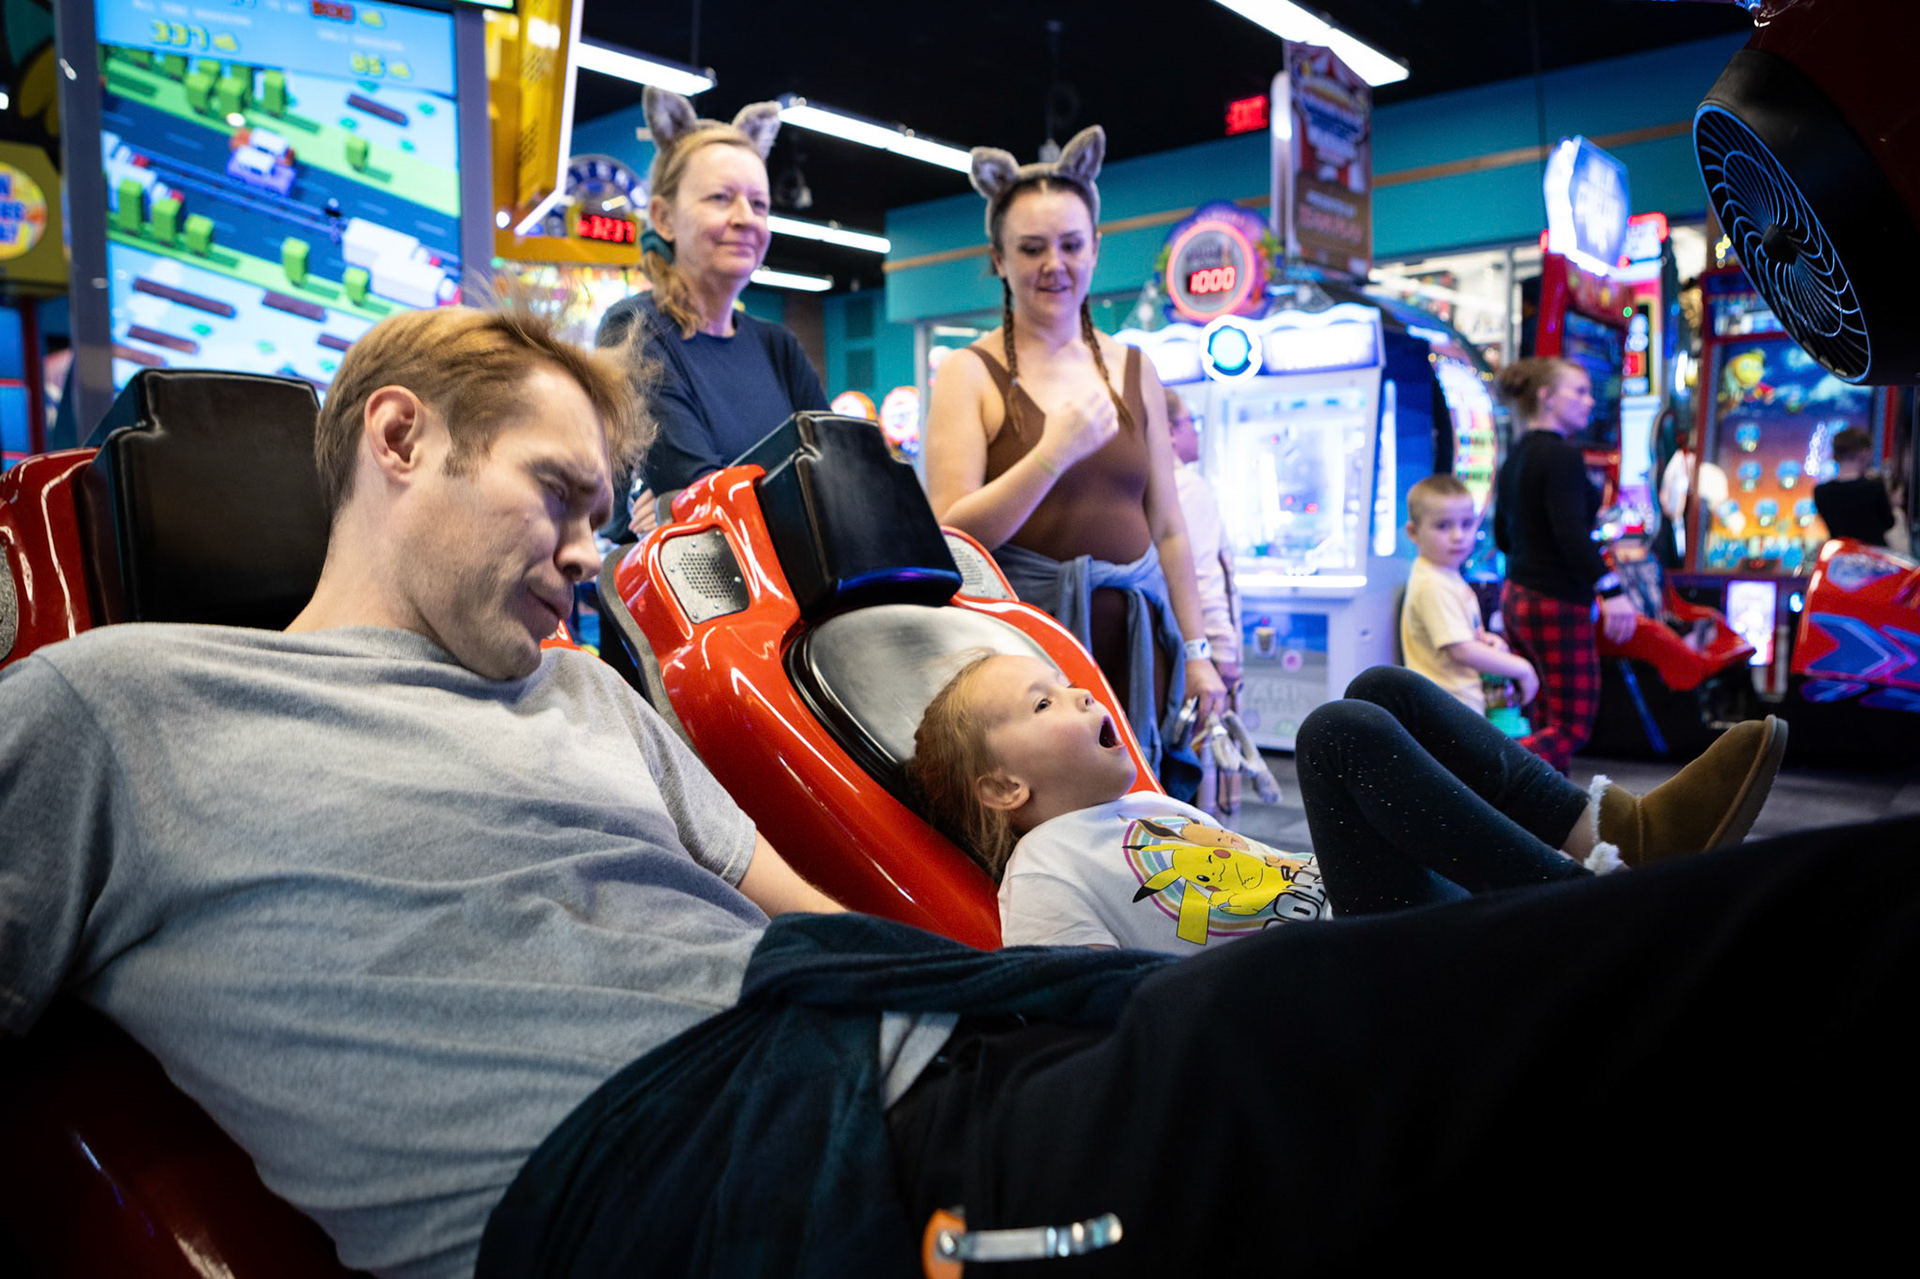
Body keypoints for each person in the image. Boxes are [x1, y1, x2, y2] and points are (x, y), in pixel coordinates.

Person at [6, 304, 1918, 1278]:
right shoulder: (122, 708)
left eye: (601, 511)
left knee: (1384, 1015)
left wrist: (1049, 967)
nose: (588, 554)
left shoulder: (581, 691)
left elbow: (789, 912)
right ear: (400, 438)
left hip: (906, 1059)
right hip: (729, 1184)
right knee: (1491, 1034)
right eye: (559, 498)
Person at [911, 652, 1787, 951]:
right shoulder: (1046, 869)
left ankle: (1617, 834)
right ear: (1004, 787)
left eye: (1067, 684)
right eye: (1044, 703)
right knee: (1335, 733)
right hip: (1336, 985)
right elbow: (1083, 1012)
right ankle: (1594, 914)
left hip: (1358, 920)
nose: (1081, 694)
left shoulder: (1152, 807)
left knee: (1380, 691)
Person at [923, 126, 1226, 792]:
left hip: (1138, 650)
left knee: (1150, 817)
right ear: (999, 258)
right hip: (1025, 661)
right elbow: (952, 533)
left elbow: (1170, 528)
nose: (1053, 264)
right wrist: (1052, 453)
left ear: (1096, 248)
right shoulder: (969, 373)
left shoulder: (1135, 367)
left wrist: (1199, 651)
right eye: (1031, 248)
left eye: (1070, 244)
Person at [595, 87, 827, 539]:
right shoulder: (635, 330)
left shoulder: (777, 346)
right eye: (721, 198)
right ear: (664, 218)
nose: (745, 218)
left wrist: (690, 502)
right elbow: (702, 494)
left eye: (758, 204)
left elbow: (840, 474)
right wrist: (697, 500)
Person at [1492, 357, 1637, 772]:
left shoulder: (1517, 454)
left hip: (1517, 596)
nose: (1589, 401)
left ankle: (1541, 808)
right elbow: (1571, 534)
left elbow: (1503, 535)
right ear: (1546, 396)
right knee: (1571, 726)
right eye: (1579, 391)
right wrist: (1610, 589)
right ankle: (1487, 773)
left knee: (1541, 717)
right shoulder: (1562, 457)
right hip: (1555, 600)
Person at [1164, 387, 1243, 812]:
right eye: (1189, 422)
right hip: (1201, 651)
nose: (1195, 432)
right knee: (1205, 761)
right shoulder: (1188, 487)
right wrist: (1223, 652)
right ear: (1169, 431)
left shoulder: (1155, 487)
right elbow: (1202, 576)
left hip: (1174, 646)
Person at [1401, 474, 1538, 715]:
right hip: (1448, 708)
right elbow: (1460, 650)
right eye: (1443, 526)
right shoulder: (1433, 584)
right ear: (1413, 532)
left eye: (1466, 524)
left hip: (1456, 705)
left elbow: (1462, 638)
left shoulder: (1444, 575)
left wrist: (1485, 642)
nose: (1458, 536)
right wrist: (1522, 669)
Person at [1814, 426, 1896, 548]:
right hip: (1872, 554)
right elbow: (1889, 523)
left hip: (1840, 553)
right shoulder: (1874, 487)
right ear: (1864, 453)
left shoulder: (1820, 492)